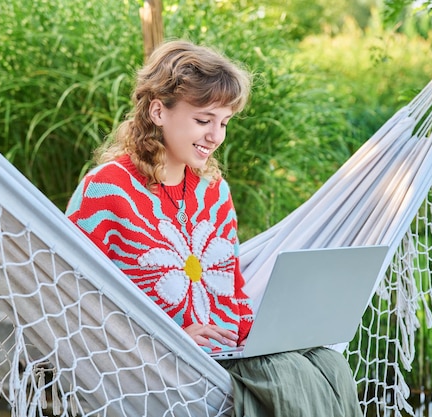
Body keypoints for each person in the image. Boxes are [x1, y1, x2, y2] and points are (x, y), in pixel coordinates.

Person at [66, 39, 363, 417]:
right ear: (158, 111)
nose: (215, 136)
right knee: (284, 373)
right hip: (162, 364)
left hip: (228, 354)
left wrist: (255, 334)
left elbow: (232, 284)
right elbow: (74, 297)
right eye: (203, 120)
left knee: (328, 363)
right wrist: (167, 341)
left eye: (223, 123)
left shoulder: (213, 190)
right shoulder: (108, 188)